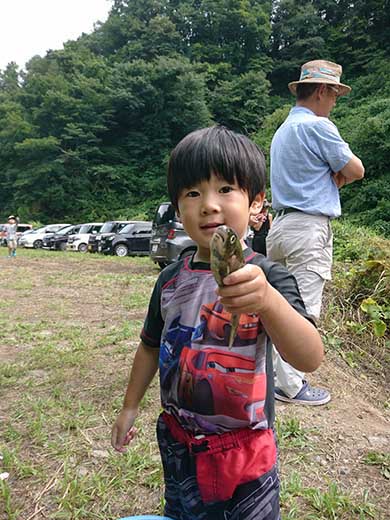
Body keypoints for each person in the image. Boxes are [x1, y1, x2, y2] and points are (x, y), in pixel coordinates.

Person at [111, 125, 324, 519]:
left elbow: (309, 356)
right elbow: (150, 346)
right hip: (180, 444)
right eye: (193, 193)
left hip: (246, 452)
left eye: (226, 189)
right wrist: (129, 407)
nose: (209, 204)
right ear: (178, 209)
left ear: (257, 203)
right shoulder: (170, 280)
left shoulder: (267, 276)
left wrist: (268, 303)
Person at [266, 60, 365, 406]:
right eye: (335, 94)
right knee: (302, 308)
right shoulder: (319, 127)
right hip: (308, 228)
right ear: (323, 91)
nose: (335, 101)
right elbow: (357, 169)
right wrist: (338, 177)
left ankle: (270, 374)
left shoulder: (282, 132)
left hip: (278, 226)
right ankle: (290, 385)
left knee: (275, 303)